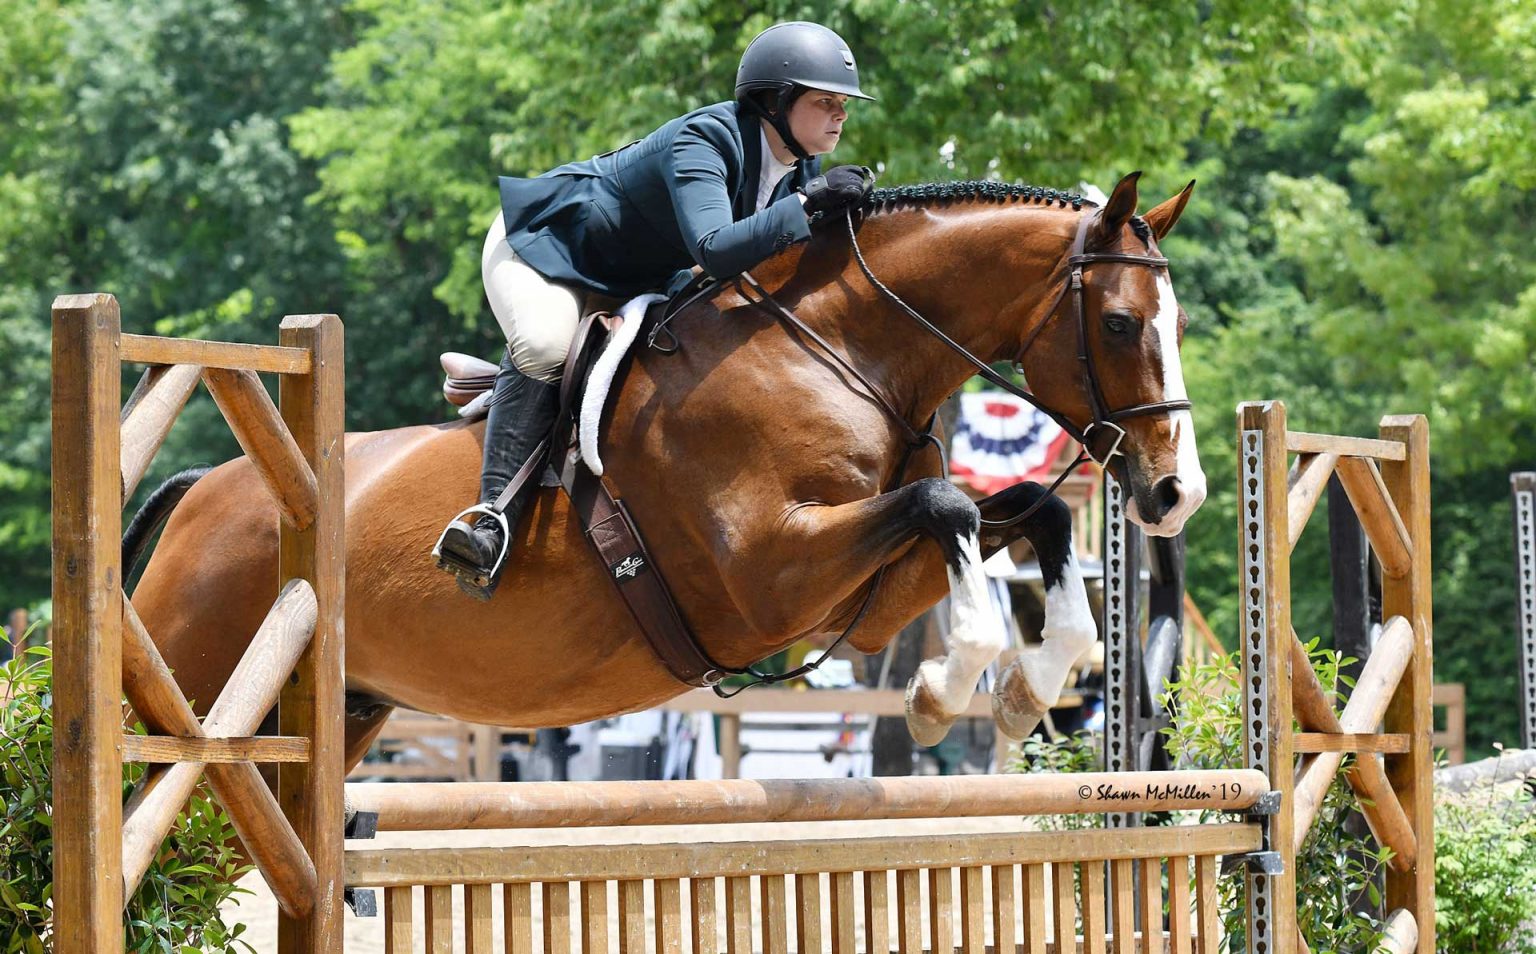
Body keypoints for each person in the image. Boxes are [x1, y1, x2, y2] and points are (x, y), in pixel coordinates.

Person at [435, 21, 878, 600]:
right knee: (545, 345)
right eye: (825, 102)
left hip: (636, 276)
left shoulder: (797, 166)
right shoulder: (707, 138)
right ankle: (490, 519)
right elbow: (717, 250)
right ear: (776, 100)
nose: (840, 115)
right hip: (550, 249)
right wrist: (807, 204)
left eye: (843, 104)